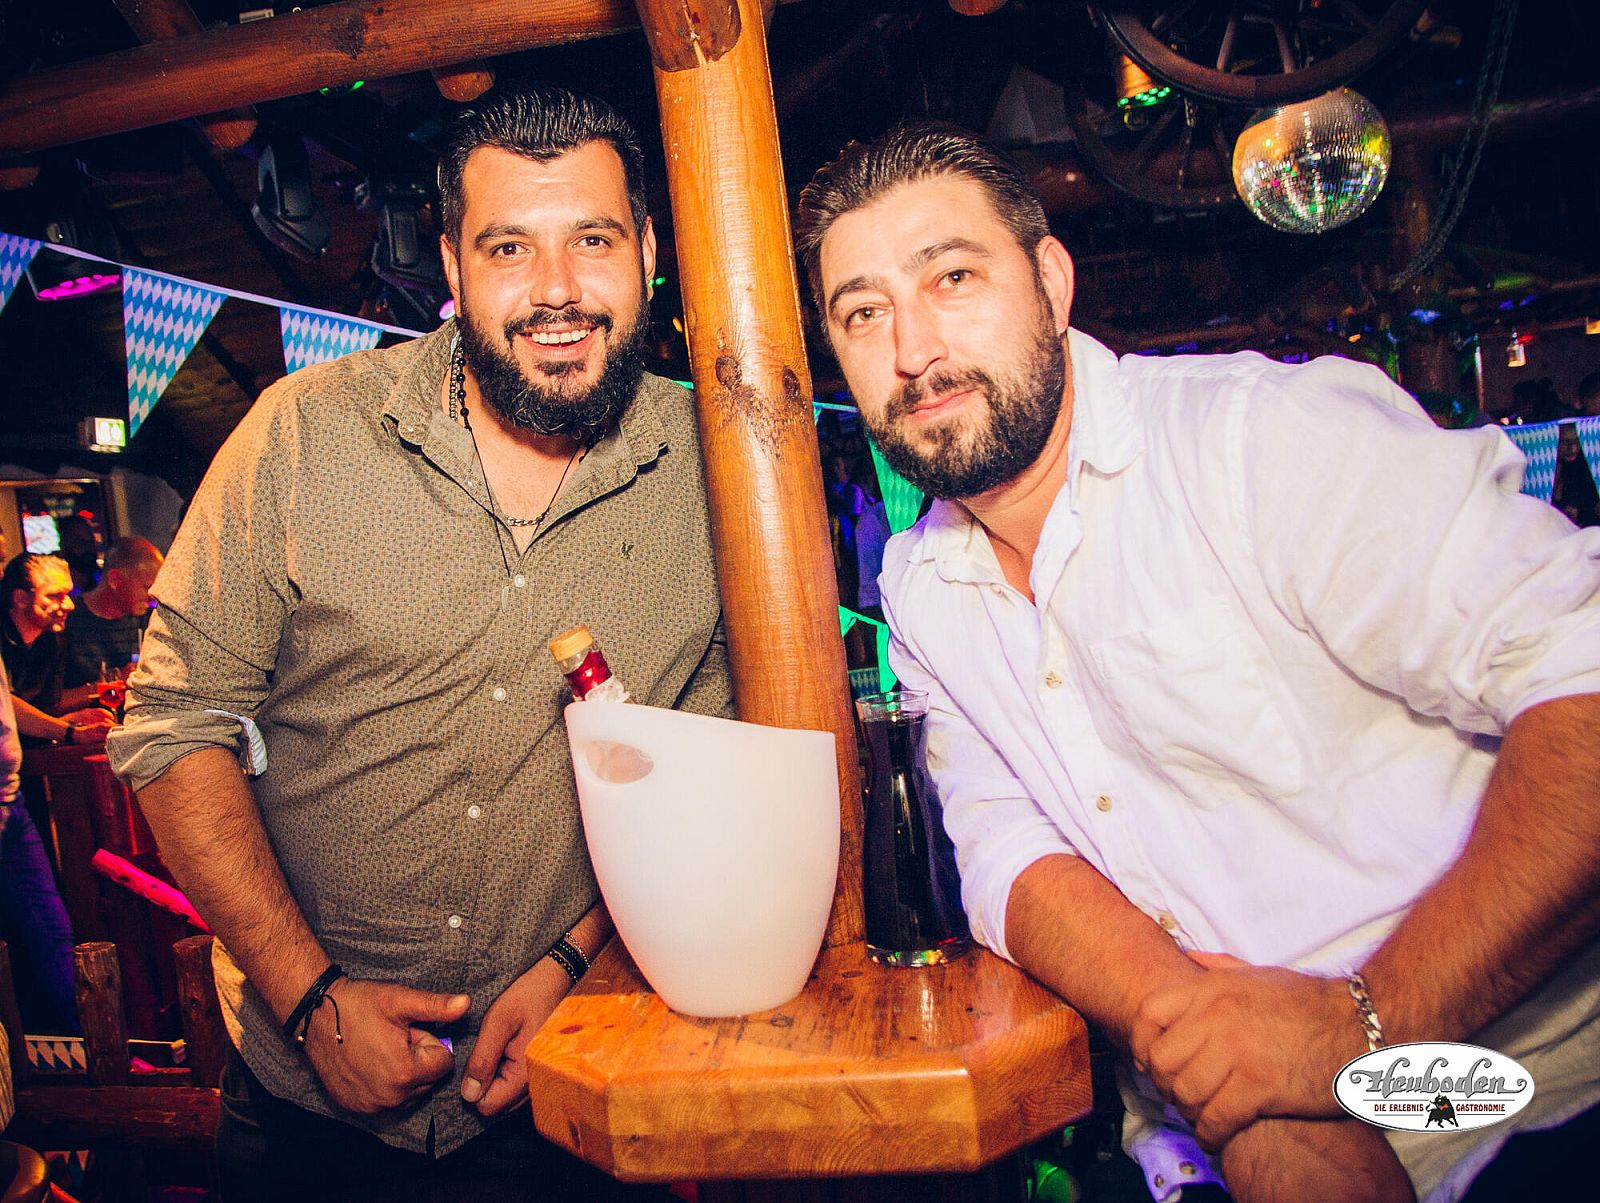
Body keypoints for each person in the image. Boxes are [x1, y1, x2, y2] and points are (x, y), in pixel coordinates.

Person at [795, 122, 1600, 1203]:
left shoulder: (1254, 439)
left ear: (1050, 283)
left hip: (1526, 1099)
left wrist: (1350, 1030)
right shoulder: (919, 584)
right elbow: (1009, 858)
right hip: (1201, 1140)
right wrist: (1237, 1076)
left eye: (952, 278)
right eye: (863, 312)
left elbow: (1580, 672)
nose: (913, 349)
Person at [107, 86, 731, 1202]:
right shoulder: (302, 431)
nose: (555, 289)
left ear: (647, 251)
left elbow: (711, 773)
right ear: (451, 263)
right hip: (302, 1115)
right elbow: (172, 725)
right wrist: (312, 1000)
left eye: (592, 240)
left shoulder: (718, 471)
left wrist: (577, 963)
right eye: (509, 247)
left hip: (570, 1095)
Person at [0, 656, 81, 1034]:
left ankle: (96, 1051)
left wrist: (68, 733)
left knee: (54, 936)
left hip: (11, 802)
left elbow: (7, 703)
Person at [1, 553, 116, 746]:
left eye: (68, 595)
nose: (69, 605)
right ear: (21, 598)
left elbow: (46, 706)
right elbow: (6, 705)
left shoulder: (53, 637)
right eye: (55, 596)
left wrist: (73, 719)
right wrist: (70, 732)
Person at [61, 536, 163, 690]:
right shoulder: (66, 618)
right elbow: (48, 700)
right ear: (115, 580)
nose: (153, 596)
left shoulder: (150, 620)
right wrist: (114, 682)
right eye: (147, 587)